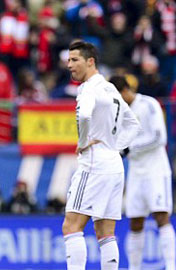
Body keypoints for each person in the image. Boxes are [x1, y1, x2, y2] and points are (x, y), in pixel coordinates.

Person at [62, 41, 140, 270]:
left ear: (90, 61)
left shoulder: (88, 88)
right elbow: (133, 124)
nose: (69, 65)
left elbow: (85, 116)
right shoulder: (110, 89)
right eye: (68, 60)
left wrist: (83, 142)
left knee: (71, 226)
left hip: (94, 164)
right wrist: (115, 146)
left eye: (75, 60)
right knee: (105, 232)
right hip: (114, 165)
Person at [110, 75, 175, 270]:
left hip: (156, 169)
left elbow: (159, 137)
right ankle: (134, 267)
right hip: (136, 172)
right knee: (135, 220)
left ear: (124, 91)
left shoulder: (149, 104)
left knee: (161, 216)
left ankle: (171, 266)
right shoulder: (119, 113)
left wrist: (130, 148)